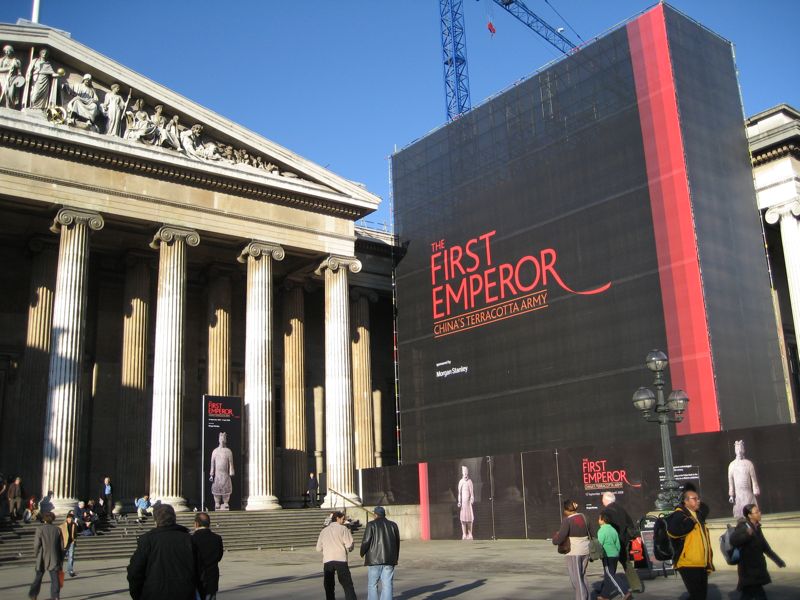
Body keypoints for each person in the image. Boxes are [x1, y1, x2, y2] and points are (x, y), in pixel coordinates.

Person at [127, 503, 198, 600]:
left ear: (155, 521)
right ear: (174, 519)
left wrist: (138, 595)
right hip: (184, 594)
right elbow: (200, 570)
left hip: (153, 594)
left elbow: (134, 572)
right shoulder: (188, 539)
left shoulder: (146, 540)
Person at [666, 485, 714, 600]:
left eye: (698, 498)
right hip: (688, 563)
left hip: (701, 562)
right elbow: (672, 532)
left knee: (700, 596)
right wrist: (690, 523)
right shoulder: (679, 514)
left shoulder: (697, 515)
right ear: (686, 501)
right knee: (698, 596)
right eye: (694, 499)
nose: (698, 501)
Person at [730, 504, 786, 599]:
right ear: (750, 515)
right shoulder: (743, 526)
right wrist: (747, 535)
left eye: (759, 511)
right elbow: (733, 541)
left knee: (748, 594)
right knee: (758, 594)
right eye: (756, 512)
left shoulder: (757, 528)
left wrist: (778, 561)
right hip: (748, 569)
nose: (760, 513)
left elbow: (765, 548)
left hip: (757, 568)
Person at [551, 499, 591, 600]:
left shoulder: (567, 520)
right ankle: (587, 597)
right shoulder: (584, 517)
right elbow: (592, 533)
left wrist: (554, 538)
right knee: (582, 576)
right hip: (586, 550)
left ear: (566, 510)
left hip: (574, 551)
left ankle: (582, 598)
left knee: (576, 579)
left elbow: (560, 538)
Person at [360, 506, 400, 600]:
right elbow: (397, 543)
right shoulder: (393, 525)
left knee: (372, 585)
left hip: (374, 559)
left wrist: (362, 552)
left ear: (375, 514)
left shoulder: (371, 524)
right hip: (390, 559)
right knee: (387, 585)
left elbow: (366, 541)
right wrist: (395, 557)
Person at [316, 510, 357, 600]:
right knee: (347, 585)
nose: (344, 521)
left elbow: (318, 548)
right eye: (343, 519)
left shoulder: (324, 531)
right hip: (340, 559)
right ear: (337, 518)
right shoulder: (343, 529)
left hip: (328, 560)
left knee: (329, 586)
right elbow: (349, 545)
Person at [596, 510, 632, 600]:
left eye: (599, 518)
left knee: (611, 575)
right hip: (615, 555)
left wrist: (595, 555)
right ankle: (605, 595)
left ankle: (625, 592)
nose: (598, 520)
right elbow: (618, 544)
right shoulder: (613, 530)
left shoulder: (602, 530)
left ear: (603, 520)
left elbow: (599, 544)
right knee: (608, 576)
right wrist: (617, 553)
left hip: (607, 556)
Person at [28, 511, 64, 600]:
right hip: (54, 557)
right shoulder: (57, 529)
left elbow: (36, 544)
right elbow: (61, 546)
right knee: (55, 579)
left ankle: (33, 595)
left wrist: (36, 554)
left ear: (44, 519)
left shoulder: (39, 529)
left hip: (42, 556)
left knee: (38, 578)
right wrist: (61, 558)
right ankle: (55, 597)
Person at [192, 512, 224, 600]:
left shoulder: (191, 539)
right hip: (212, 577)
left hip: (196, 578)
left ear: (196, 524)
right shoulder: (217, 538)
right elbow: (219, 556)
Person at [729, 440, 760, 520]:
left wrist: (755, 490)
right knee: (740, 514)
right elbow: (731, 482)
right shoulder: (732, 465)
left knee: (750, 510)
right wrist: (731, 495)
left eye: (740, 449)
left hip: (748, 492)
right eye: (737, 449)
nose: (739, 451)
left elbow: (753, 478)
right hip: (738, 494)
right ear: (735, 451)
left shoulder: (748, 463)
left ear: (744, 450)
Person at [209, 431, 234, 510]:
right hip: (217, 475)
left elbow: (231, 463)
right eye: (221, 438)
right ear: (219, 440)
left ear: (225, 440)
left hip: (225, 474)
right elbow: (212, 464)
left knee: (226, 488)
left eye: (224, 438)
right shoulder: (215, 451)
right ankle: (217, 502)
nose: (222, 440)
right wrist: (211, 474)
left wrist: (231, 471)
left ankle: (226, 502)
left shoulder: (228, 451)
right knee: (216, 489)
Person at [0, 44, 24, 109]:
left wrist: (19, 79)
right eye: (6, 51)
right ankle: (4, 105)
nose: (7, 52)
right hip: (3, 77)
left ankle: (10, 106)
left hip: (13, 78)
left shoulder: (16, 61)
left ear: (12, 51)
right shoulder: (2, 60)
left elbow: (19, 72)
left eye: (9, 51)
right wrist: (8, 68)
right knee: (5, 91)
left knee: (11, 93)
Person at [457, 464, 474, 540]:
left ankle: (470, 534)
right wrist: (459, 501)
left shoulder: (470, 482)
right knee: (463, 520)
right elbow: (459, 493)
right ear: (462, 473)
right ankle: (464, 534)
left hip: (468, 503)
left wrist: (472, 499)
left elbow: (472, 493)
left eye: (466, 472)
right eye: (464, 472)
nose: (465, 474)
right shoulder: (461, 482)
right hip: (463, 504)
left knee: (469, 519)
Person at [59, 511, 78, 578]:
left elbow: (75, 534)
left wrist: (75, 540)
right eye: (69, 518)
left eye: (71, 518)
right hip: (64, 543)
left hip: (71, 542)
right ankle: (59, 570)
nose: (70, 519)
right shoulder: (62, 526)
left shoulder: (74, 525)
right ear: (67, 518)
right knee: (62, 558)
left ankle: (70, 570)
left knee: (71, 556)